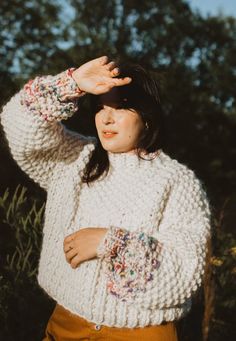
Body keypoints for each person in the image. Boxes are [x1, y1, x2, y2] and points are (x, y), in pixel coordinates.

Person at [1, 56, 211, 341]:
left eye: (121, 106)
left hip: (141, 332)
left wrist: (108, 243)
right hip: (66, 324)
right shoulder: (74, 158)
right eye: (101, 107)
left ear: (148, 117)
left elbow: (185, 273)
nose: (107, 118)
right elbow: (17, 122)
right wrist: (71, 83)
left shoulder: (177, 181)